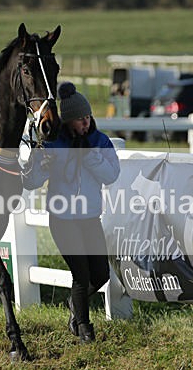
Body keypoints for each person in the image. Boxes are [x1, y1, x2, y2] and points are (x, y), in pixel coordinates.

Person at [22, 81, 120, 343]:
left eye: (88, 117)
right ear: (67, 121)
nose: (86, 123)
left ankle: (75, 304)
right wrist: (39, 164)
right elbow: (30, 182)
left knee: (101, 275)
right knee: (81, 275)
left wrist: (88, 155)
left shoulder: (100, 142)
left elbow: (111, 175)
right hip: (63, 220)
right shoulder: (53, 144)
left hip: (90, 218)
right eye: (79, 119)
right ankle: (84, 328)